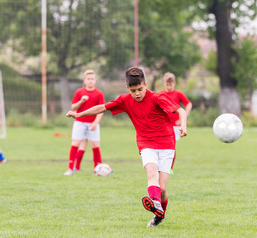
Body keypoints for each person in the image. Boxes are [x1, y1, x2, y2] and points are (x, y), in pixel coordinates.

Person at [66, 66, 187, 228]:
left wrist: (183, 126)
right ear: (127, 88)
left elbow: (181, 111)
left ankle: (159, 214)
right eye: (133, 90)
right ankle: (156, 204)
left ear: (146, 84)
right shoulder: (125, 100)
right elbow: (102, 107)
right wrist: (79, 114)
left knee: (163, 188)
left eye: (140, 89)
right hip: (146, 144)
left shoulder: (157, 97)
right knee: (152, 175)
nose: (137, 94)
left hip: (166, 144)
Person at [64, 70, 105, 176]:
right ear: (84, 81)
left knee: (95, 145)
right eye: (88, 79)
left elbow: (102, 110)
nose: (90, 81)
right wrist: (82, 101)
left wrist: (96, 122)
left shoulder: (99, 93)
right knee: (75, 144)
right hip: (79, 122)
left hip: (93, 123)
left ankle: (98, 170)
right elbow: (73, 107)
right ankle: (70, 169)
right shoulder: (79, 92)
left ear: (95, 81)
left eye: (92, 79)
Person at [158, 72, 192, 174]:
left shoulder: (178, 93)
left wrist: (183, 118)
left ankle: (170, 168)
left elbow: (188, 104)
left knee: (171, 146)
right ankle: (160, 166)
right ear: (164, 83)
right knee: (160, 145)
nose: (169, 86)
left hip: (175, 125)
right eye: (167, 84)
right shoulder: (160, 94)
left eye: (171, 84)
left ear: (174, 83)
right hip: (163, 124)